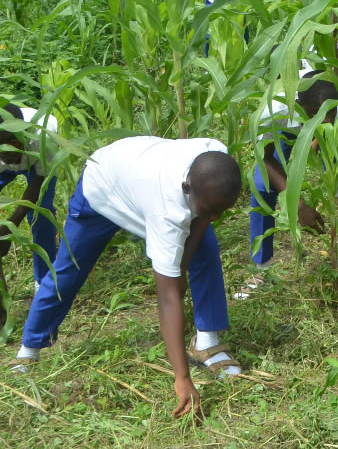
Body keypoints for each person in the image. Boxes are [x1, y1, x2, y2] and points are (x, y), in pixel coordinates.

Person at [9, 137, 244, 421]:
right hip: (102, 190)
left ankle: (206, 341)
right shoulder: (167, 210)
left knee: (204, 245)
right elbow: (168, 298)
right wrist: (182, 378)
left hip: (136, 176)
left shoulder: (216, 159)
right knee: (69, 269)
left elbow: (204, 217)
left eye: (223, 209)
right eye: (209, 210)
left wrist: (182, 265)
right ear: (186, 188)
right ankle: (29, 348)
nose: (217, 217)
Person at [236, 71, 338, 298]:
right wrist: (298, 205)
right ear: (300, 105)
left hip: (323, 120)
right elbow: (265, 159)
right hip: (288, 125)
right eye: (315, 115)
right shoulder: (276, 108)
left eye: (327, 115)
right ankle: (260, 269)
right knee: (261, 185)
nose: (323, 121)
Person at [0, 103, 61, 328]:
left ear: (18, 141)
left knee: (41, 215)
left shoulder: (45, 133)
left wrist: (10, 226)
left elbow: (38, 183)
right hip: (9, 167)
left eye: (5, 147)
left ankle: (45, 284)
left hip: (38, 167)